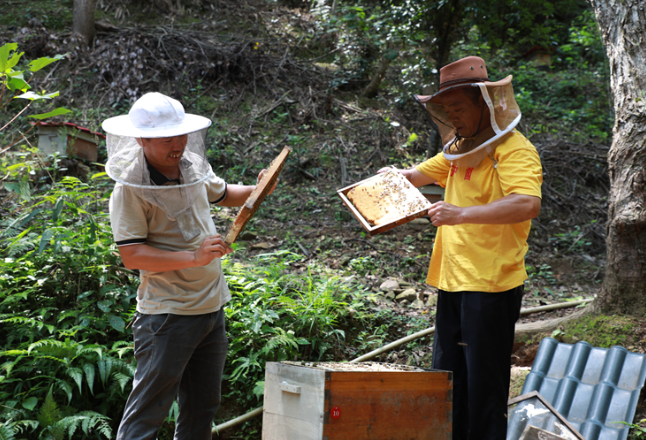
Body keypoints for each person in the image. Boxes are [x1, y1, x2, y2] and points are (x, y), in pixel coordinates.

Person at [384, 56, 543, 439]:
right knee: (448, 380)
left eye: (458, 108)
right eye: (446, 109)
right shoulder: (459, 148)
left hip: (491, 284)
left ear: (484, 104)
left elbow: (527, 203)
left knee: (484, 386)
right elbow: (417, 175)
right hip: (452, 280)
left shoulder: (513, 149)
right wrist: (390, 179)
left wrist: (461, 213)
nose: (452, 115)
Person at [102, 92, 275, 440]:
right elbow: (132, 256)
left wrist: (260, 187)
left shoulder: (192, 168)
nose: (178, 144)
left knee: (201, 410)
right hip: (167, 316)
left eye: (181, 135)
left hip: (212, 308)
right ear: (141, 139)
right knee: (147, 413)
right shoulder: (128, 191)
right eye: (167, 138)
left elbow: (226, 194)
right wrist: (193, 257)